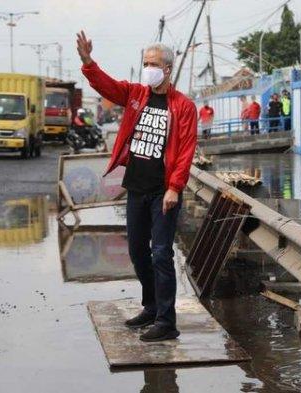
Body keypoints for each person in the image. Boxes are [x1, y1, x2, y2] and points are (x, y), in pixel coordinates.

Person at [77, 31, 197, 342]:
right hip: (137, 187)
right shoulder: (135, 94)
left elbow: (185, 150)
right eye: (145, 63)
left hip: (163, 191)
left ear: (168, 69)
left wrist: (175, 187)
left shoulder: (183, 106)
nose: (148, 68)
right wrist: (88, 62)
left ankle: (167, 322)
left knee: (160, 254)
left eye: (154, 63)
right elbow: (106, 85)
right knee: (137, 252)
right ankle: (151, 305)